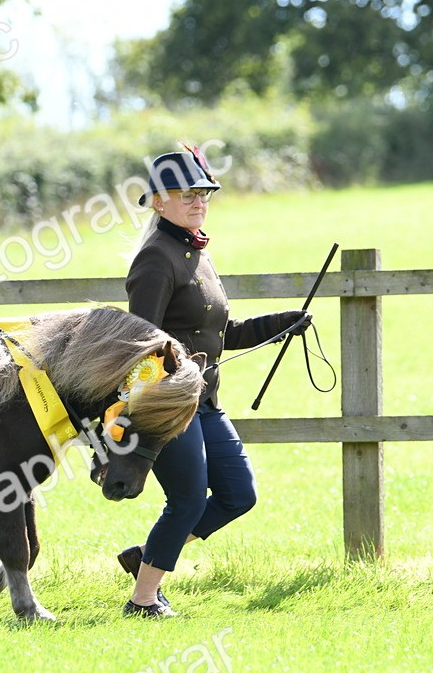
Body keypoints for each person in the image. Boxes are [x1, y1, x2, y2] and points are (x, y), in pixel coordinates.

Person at [118, 145, 311, 617]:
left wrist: (281, 323)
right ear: (158, 201)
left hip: (206, 402)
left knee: (238, 493)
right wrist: (165, 381)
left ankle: (148, 557)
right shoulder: (156, 258)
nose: (198, 201)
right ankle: (143, 599)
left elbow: (223, 332)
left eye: (203, 193)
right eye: (187, 194)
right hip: (169, 403)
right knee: (186, 500)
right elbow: (141, 341)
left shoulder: (196, 252)